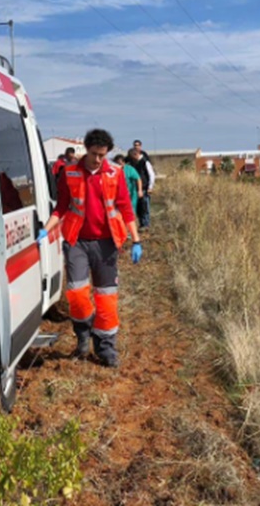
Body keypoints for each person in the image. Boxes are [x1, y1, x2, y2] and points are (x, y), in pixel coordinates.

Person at [39, 129, 141, 368]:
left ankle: (105, 347)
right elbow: (61, 207)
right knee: (75, 292)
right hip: (77, 242)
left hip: (106, 244)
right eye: (94, 154)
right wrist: (46, 229)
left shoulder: (114, 174)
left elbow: (126, 209)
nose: (98, 159)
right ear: (86, 149)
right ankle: (84, 334)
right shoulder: (70, 173)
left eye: (102, 155)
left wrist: (136, 240)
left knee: (106, 298)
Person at [128, 146, 156, 229]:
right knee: (138, 207)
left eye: (133, 157)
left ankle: (146, 224)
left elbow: (152, 175)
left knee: (145, 207)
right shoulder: (133, 163)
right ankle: (141, 224)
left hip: (145, 188)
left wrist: (150, 187)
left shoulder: (145, 162)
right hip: (136, 189)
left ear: (136, 154)